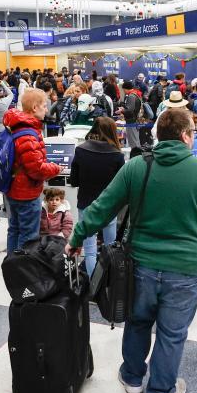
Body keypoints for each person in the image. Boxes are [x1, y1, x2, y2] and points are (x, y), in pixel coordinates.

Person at [66, 108, 197, 393]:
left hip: (140, 263)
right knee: (172, 333)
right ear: (185, 136)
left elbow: (102, 206)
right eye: (192, 132)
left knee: (138, 321)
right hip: (187, 268)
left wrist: (77, 237)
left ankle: (132, 378)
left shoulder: (135, 168)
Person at [2, 89, 62, 252]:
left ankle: (11, 266)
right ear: (35, 108)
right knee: (28, 236)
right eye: (44, 105)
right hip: (26, 193)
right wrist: (56, 168)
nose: (47, 109)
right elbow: (36, 169)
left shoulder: (16, 126)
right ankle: (22, 271)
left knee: (14, 230)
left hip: (13, 188)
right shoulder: (28, 134)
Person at [70, 117, 125, 276]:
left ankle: (93, 287)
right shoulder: (117, 155)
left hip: (86, 203)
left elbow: (74, 181)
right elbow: (120, 186)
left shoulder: (80, 150)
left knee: (90, 251)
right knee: (111, 248)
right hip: (109, 206)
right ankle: (109, 282)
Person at [121, 81, 144, 149]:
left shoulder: (131, 96)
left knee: (133, 142)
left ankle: (136, 156)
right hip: (135, 120)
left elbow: (129, 111)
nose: (124, 91)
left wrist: (121, 111)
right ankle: (138, 155)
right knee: (136, 139)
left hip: (131, 121)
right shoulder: (136, 94)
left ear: (126, 88)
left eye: (124, 89)